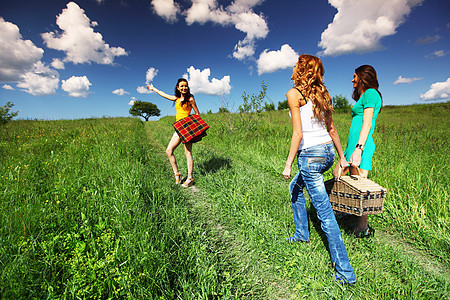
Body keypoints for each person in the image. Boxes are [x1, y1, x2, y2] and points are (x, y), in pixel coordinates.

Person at [282, 54, 356, 284]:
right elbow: (332, 129)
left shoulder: (294, 94)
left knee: (324, 214)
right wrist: (342, 158)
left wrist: (287, 163)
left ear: (302, 69)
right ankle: (302, 234)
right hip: (327, 153)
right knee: (296, 188)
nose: (293, 68)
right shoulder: (322, 93)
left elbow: (298, 134)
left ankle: (345, 272)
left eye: (296, 66)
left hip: (311, 157)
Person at [333, 65, 383, 237]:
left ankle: (362, 228)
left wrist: (359, 149)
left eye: (354, 76)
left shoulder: (371, 94)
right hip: (352, 146)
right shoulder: (362, 96)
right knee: (338, 175)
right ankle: (345, 211)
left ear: (363, 77)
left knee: (361, 186)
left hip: (361, 146)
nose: (352, 79)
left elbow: (367, 123)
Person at [147, 78, 200, 187]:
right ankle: (177, 174)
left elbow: (197, 114)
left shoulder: (190, 99)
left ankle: (190, 178)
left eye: (185, 86)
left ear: (187, 87)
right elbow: (163, 94)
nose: (184, 88)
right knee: (169, 151)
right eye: (182, 86)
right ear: (178, 88)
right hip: (178, 128)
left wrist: (192, 125)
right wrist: (153, 89)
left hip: (187, 128)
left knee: (187, 153)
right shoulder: (176, 98)